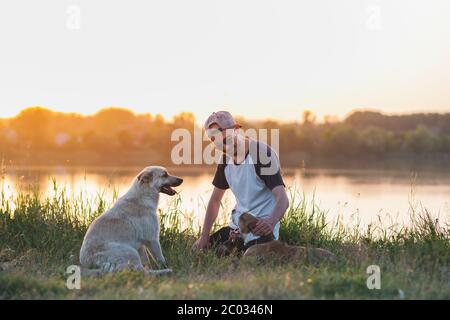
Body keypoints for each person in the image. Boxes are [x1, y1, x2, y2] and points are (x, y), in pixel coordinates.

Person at [193, 111, 289, 254]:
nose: (221, 145)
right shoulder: (225, 161)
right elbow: (215, 200)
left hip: (260, 228)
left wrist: (271, 221)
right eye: (214, 140)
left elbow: (283, 199)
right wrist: (204, 236)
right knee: (199, 250)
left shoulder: (261, 154)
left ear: (236, 129)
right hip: (237, 227)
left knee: (243, 256)